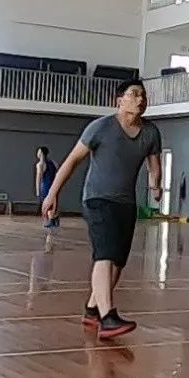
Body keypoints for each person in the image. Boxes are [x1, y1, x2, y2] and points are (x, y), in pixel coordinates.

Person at [41, 80, 161, 342]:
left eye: (143, 95)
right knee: (105, 255)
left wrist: (155, 185)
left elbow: (154, 164)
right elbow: (72, 160)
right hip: (97, 200)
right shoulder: (100, 127)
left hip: (126, 203)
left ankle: (92, 309)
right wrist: (52, 194)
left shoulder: (151, 132)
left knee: (117, 262)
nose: (140, 99)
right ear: (119, 100)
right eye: (134, 94)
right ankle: (108, 318)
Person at [35, 145, 59, 229]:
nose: (37, 153)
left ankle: (51, 220)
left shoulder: (40, 164)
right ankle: (54, 218)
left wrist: (37, 191)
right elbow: (57, 174)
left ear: (41, 153)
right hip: (54, 185)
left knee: (46, 204)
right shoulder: (53, 163)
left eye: (38, 151)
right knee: (53, 203)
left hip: (45, 186)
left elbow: (38, 178)